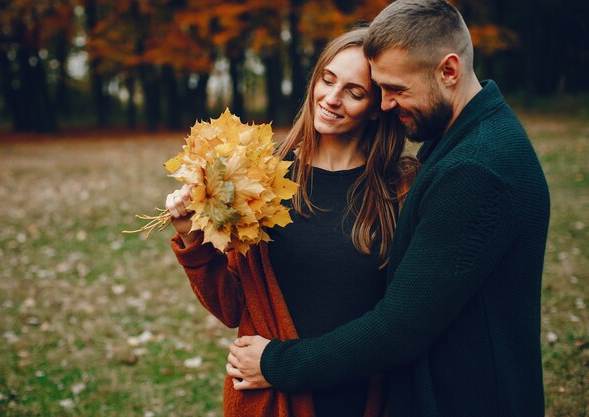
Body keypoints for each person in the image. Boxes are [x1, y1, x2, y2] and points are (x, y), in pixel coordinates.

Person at [226, 1, 551, 416]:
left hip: (468, 399)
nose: (385, 105)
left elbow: (400, 329)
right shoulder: (468, 138)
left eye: (395, 90)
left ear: (448, 71)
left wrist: (276, 363)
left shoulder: (474, 169)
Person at [166, 28, 417, 417]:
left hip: (363, 396)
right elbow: (233, 306)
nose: (331, 99)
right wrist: (190, 238)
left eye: (354, 92)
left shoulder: (399, 187)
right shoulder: (260, 178)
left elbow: (405, 318)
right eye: (328, 79)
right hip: (271, 399)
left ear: (375, 105)